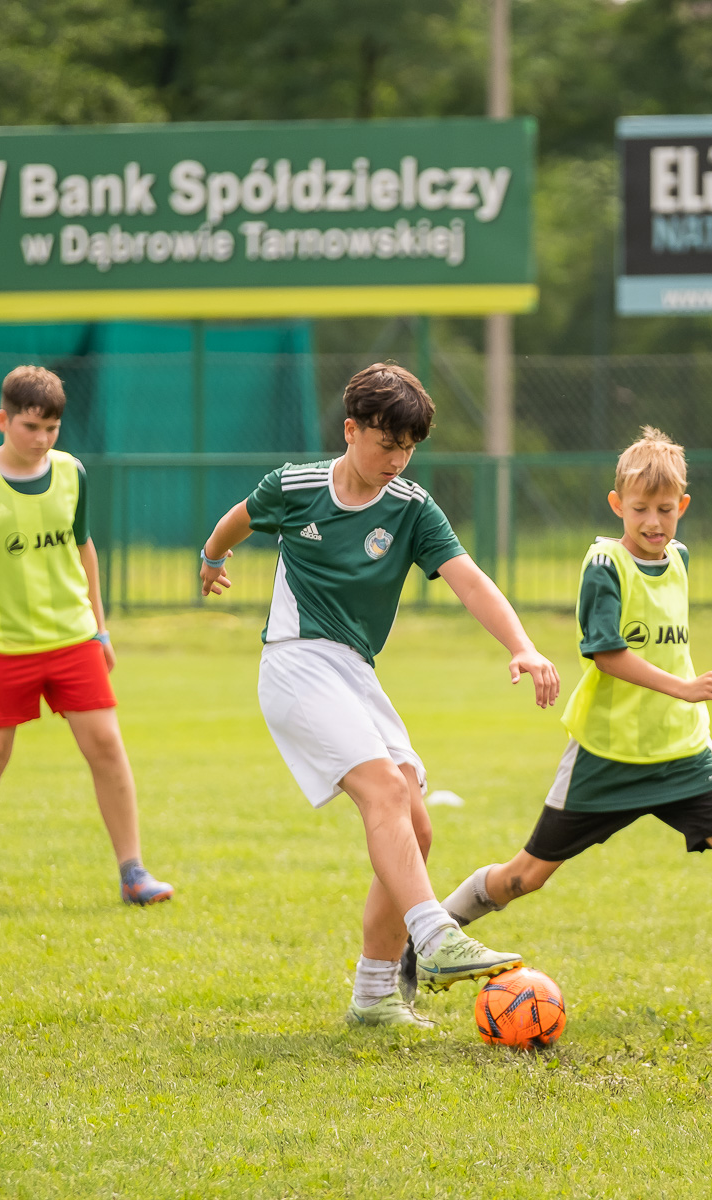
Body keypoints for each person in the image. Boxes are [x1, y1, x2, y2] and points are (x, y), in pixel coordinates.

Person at [420, 427, 712, 1024]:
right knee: (524, 877)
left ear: (683, 506)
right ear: (617, 506)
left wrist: (685, 704)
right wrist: (686, 688)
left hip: (683, 750)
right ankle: (427, 940)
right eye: (640, 510)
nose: (654, 522)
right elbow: (604, 653)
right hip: (608, 755)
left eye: (665, 509)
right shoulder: (604, 563)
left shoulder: (679, 559)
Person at [199, 362, 560, 1029]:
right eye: (386, 443)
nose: (397, 460)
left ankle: (373, 999)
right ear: (351, 430)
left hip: (355, 674)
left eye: (409, 448)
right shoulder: (296, 486)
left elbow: (471, 580)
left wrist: (522, 645)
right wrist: (214, 558)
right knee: (387, 795)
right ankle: (437, 937)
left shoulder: (412, 509)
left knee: (416, 826)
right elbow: (237, 520)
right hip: (296, 662)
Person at [0, 365, 172, 913]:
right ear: (3, 420)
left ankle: (133, 872)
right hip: (2, 646)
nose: (42, 439)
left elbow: (85, 548)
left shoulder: (72, 472)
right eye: (30, 427)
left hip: (72, 639)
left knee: (106, 746)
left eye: (52, 428)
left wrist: (100, 628)